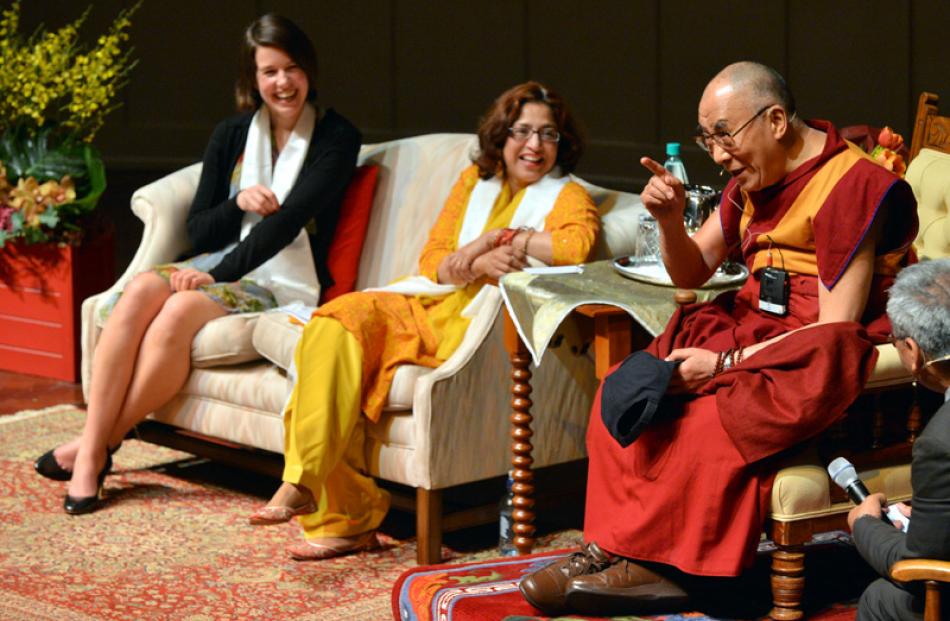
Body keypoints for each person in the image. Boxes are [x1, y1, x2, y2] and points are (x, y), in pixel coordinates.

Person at [520, 61, 919, 616]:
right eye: (707, 138)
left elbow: (835, 327)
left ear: (775, 119)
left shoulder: (852, 184)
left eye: (724, 136)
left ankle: (663, 569)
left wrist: (725, 362)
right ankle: (614, 551)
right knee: (630, 388)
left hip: (810, 350)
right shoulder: (751, 177)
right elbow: (692, 272)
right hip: (751, 325)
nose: (718, 153)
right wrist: (669, 220)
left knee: (704, 421)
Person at [247, 81, 600, 561]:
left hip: (472, 327)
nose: (534, 146)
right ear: (501, 135)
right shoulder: (473, 185)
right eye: (522, 131)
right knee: (333, 324)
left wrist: (507, 239)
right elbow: (434, 260)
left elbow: (575, 246)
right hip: (426, 304)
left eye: (549, 134)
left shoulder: (568, 196)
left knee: (339, 352)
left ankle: (333, 504)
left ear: (563, 143)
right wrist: (478, 255)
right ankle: (318, 494)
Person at [33, 14, 361, 515]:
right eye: (269, 72)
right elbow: (201, 227)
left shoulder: (336, 138)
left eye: (292, 68)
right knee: (142, 289)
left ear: (308, 71)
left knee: (178, 311)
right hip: (218, 261)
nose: (282, 83)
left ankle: (94, 451)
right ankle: (94, 446)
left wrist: (217, 274)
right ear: (252, 80)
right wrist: (239, 204)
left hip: (281, 276)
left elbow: (291, 219)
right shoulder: (231, 134)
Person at [847, 258, 950, 621]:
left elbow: (917, 570)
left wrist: (865, 525)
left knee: (881, 598)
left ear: (913, 350)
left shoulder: (939, 442)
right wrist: (926, 518)